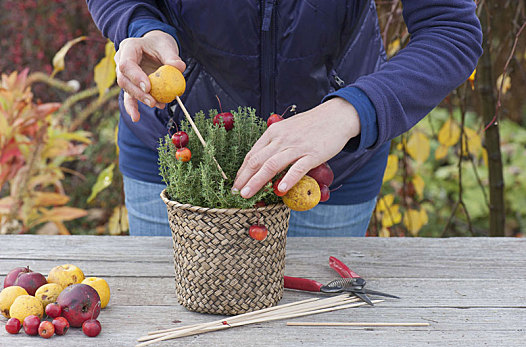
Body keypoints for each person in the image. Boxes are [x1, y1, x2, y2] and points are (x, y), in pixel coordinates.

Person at [86, 0, 482, 236]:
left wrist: (348, 112)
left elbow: (450, 30)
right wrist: (140, 24)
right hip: (178, 160)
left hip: (326, 172)